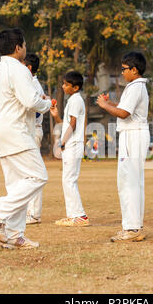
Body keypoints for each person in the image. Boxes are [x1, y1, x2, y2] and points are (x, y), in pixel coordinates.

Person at [0, 28, 52, 250]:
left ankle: (13, 236)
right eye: (24, 45)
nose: (25, 49)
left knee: (17, 185)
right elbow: (32, 102)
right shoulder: (19, 70)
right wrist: (48, 104)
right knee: (38, 177)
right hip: (16, 132)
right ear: (17, 47)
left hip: (1, 131)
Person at [97, 51, 149, 242]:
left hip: (133, 135)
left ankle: (132, 227)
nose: (122, 73)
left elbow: (124, 113)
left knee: (129, 182)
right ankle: (133, 225)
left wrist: (104, 106)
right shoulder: (135, 87)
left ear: (134, 70)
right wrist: (111, 103)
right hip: (132, 134)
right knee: (131, 181)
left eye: (125, 69)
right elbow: (125, 108)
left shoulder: (136, 87)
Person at [50, 71, 90, 227]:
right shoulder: (73, 100)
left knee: (69, 180)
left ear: (75, 87)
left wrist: (62, 142)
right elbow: (67, 123)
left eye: (66, 84)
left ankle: (79, 215)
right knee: (67, 180)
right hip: (71, 143)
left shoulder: (76, 100)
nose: (63, 86)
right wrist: (56, 117)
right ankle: (73, 215)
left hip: (72, 144)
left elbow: (73, 125)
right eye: (63, 83)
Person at [22, 53, 45, 225]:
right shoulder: (28, 84)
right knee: (27, 174)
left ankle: (34, 214)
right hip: (28, 131)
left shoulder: (34, 86)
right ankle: (29, 211)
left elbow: (36, 109)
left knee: (34, 173)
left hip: (33, 130)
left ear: (29, 68)